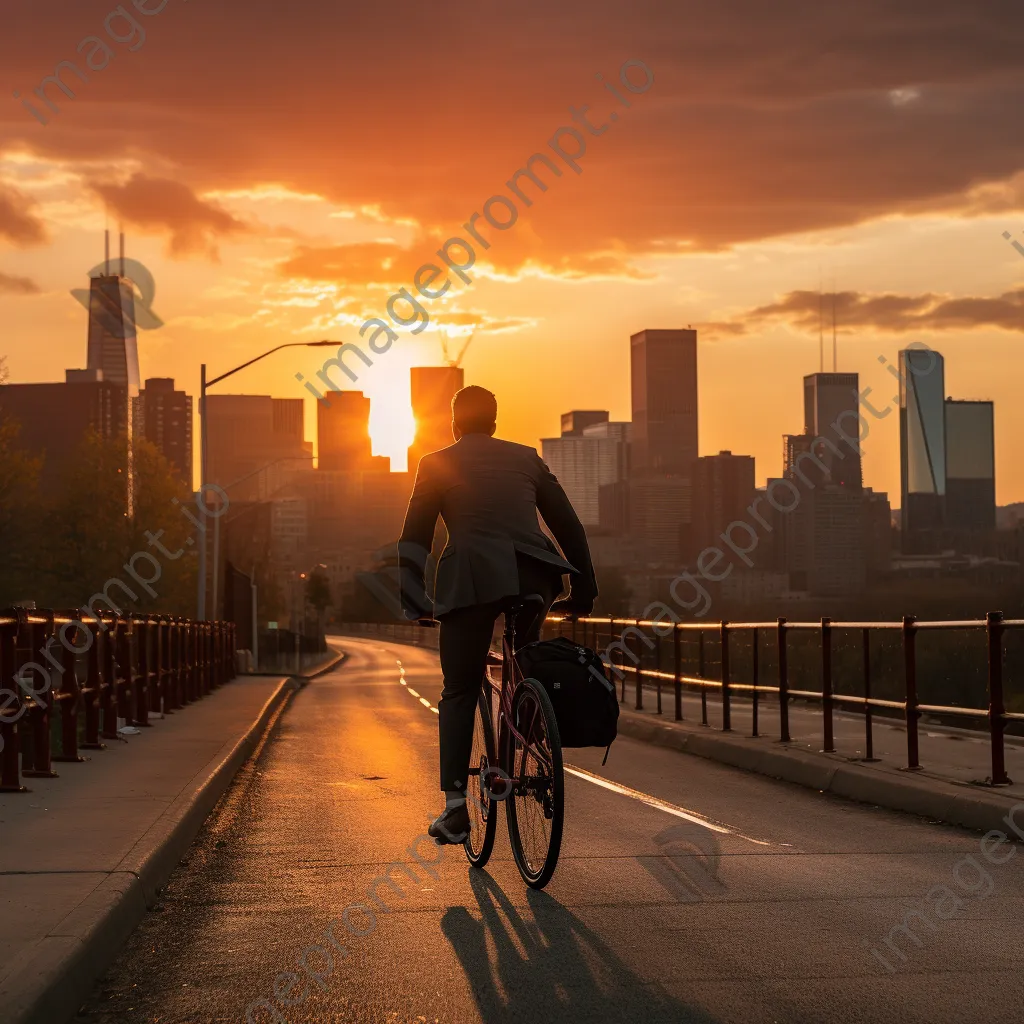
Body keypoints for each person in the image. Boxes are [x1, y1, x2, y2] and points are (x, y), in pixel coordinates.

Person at [397, 385, 598, 844]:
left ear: (454, 423)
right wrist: (585, 589)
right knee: (523, 660)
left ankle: (454, 809)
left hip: (469, 581)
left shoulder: (435, 462)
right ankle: (530, 720)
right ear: (494, 421)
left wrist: (414, 601)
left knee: (460, 687)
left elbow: (414, 537)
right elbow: (568, 525)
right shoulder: (526, 458)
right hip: (534, 578)